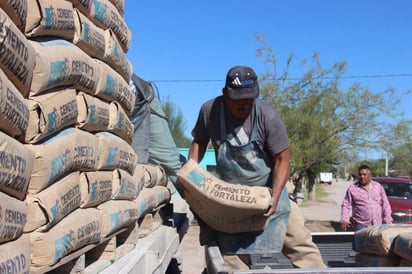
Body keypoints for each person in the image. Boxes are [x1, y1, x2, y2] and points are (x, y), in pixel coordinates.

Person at [188, 65, 326, 270]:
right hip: (232, 197)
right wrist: (190, 177)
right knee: (230, 256)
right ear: (225, 94)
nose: (244, 104)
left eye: (249, 98)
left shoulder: (268, 116)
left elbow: (282, 159)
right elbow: (199, 142)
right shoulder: (210, 111)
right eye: (238, 99)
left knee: (300, 244)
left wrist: (275, 197)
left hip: (268, 191)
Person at [340, 164, 393, 231]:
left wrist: (388, 220)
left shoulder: (378, 187)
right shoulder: (352, 189)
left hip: (378, 225)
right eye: (360, 174)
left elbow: (386, 204)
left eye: (364, 174)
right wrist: (344, 219)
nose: (362, 176)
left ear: (370, 175)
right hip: (360, 226)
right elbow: (346, 205)